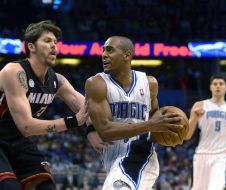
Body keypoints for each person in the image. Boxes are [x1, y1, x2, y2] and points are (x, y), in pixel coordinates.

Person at [85, 36, 185, 190]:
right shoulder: (96, 84)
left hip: (140, 155)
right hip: (113, 160)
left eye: (110, 50)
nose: (104, 54)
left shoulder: (149, 83)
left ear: (127, 55)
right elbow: (105, 131)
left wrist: (172, 130)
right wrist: (90, 130)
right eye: (103, 50)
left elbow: (155, 118)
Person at [0, 20, 88, 190]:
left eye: (55, 42)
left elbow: (87, 109)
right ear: (31, 47)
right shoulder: (15, 71)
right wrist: (73, 121)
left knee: (47, 187)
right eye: (47, 41)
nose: (54, 46)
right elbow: (26, 126)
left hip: (18, 140)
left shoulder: (58, 80)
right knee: (9, 187)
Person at [185, 75, 226, 190]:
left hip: (222, 155)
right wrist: (194, 117)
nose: (218, 86)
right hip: (201, 154)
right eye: (215, 84)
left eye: (221, 83)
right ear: (210, 87)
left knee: (216, 187)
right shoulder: (200, 105)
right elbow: (187, 135)